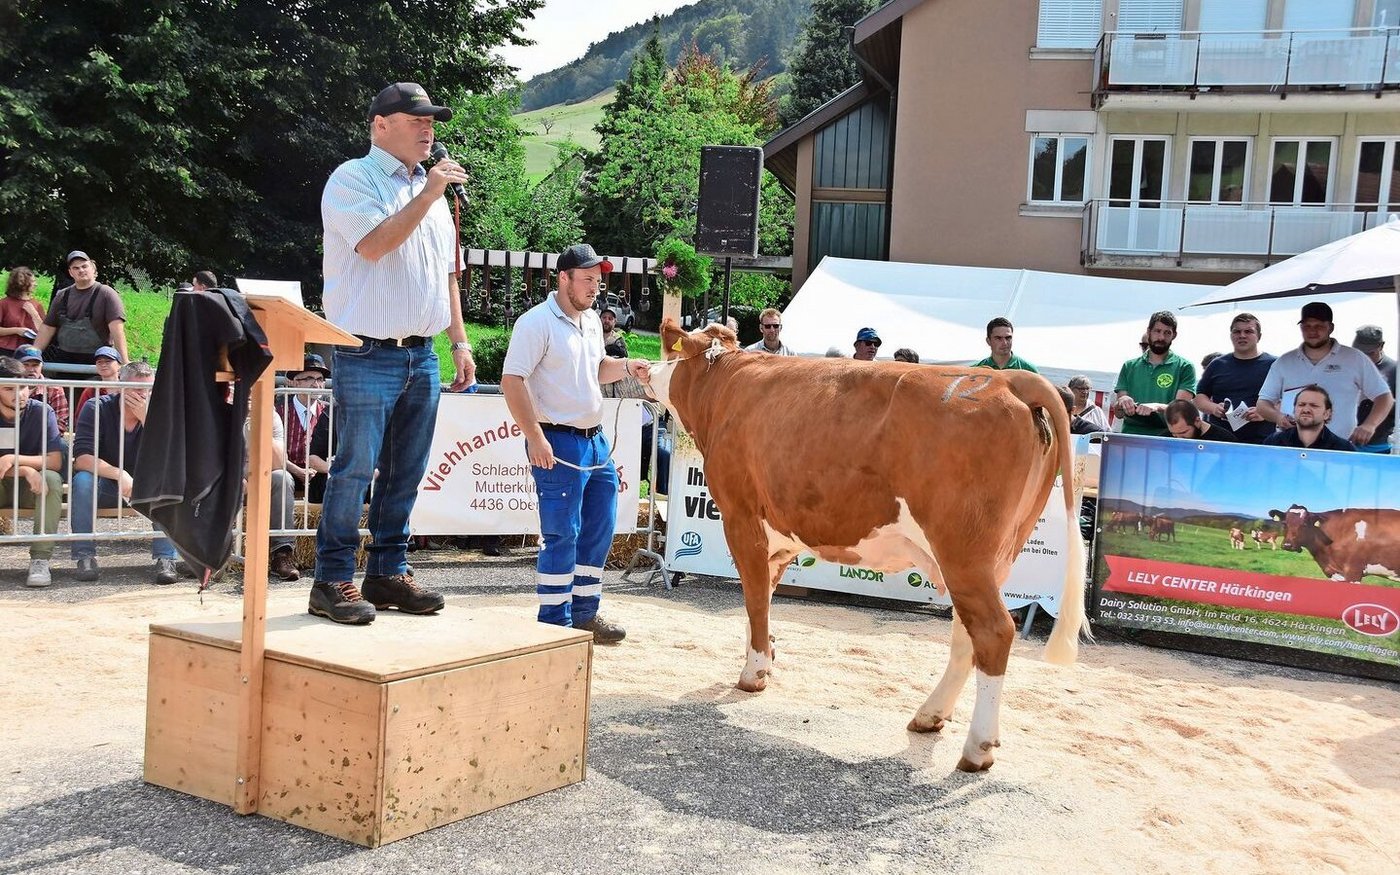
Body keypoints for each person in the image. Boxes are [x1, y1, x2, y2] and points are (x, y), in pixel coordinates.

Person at [312, 81, 477, 625]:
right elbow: (375, 246)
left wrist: (459, 341)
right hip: (365, 351)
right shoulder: (351, 180)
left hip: (422, 354)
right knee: (355, 469)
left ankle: (386, 573)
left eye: (432, 121)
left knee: (407, 471)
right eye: (416, 120)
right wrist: (428, 194)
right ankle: (332, 579)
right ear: (380, 124)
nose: (429, 129)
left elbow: (447, 276)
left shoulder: (433, 191)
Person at [501, 243, 652, 643]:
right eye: (587, 280)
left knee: (599, 529)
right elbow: (511, 380)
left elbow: (598, 369)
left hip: (594, 441)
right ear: (562, 278)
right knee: (562, 533)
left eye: (598, 282)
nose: (594, 289)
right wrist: (534, 437)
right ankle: (554, 620)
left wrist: (626, 368)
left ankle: (585, 611)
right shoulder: (535, 323)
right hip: (558, 440)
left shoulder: (588, 323)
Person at [70, 361, 179, 584]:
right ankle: (85, 556)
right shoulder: (96, 407)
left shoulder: (162, 411)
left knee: (169, 481)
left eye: (147, 388)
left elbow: (175, 455)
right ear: (120, 386)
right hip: (108, 484)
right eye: (136, 387)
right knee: (82, 481)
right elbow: (81, 459)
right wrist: (120, 474)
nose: (142, 394)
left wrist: (147, 418)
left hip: (148, 485)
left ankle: (166, 558)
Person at [1257, 302, 1392, 446]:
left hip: (1338, 448)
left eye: (1319, 326)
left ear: (1331, 327)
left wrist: (1369, 425)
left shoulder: (1354, 358)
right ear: (1301, 328)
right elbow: (1263, 403)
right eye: (1307, 326)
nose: (1312, 331)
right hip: (1290, 446)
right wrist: (1278, 417)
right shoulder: (1284, 362)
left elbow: (1384, 397)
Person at [0, 356, 66, 586]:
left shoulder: (41, 411)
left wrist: (13, 459)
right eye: (9, 388)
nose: (19, 394)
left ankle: (40, 559)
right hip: (5, 484)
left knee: (52, 478)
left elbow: (55, 461)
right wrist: (26, 470)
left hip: (31, 489)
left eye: (24, 387)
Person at [1193, 313, 1277, 444]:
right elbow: (1199, 397)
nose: (1242, 335)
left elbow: (1289, 399)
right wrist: (1213, 408)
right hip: (1220, 442)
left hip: (1261, 443)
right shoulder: (1217, 365)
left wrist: (1265, 412)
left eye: (1248, 331)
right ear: (1231, 335)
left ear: (1259, 336)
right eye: (1237, 331)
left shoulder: (1275, 365)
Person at [33, 251, 129, 365]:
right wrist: (33, 355)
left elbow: (117, 330)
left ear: (93, 269)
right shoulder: (62, 296)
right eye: (76, 268)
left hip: (98, 361)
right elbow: (47, 328)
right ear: (70, 272)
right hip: (65, 360)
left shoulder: (107, 294)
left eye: (84, 266)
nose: (81, 270)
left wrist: (124, 362)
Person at [1113, 311, 1196, 436]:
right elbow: (1118, 414)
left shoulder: (1185, 367)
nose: (1161, 337)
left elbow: (1180, 411)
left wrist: (1156, 407)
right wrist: (1123, 402)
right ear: (1149, 331)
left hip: (1167, 437)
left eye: (1167, 332)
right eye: (1157, 331)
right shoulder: (1129, 366)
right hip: (1131, 436)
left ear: (1174, 335)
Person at [244, 409, 300, 581]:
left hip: (258, 473)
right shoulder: (218, 407)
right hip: (223, 472)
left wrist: (258, 427)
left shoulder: (270, 415)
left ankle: (281, 554)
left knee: (282, 478)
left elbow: (278, 462)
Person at [277, 354, 330, 495]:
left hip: (320, 475)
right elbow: (272, 452)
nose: (316, 384)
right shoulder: (279, 411)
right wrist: (297, 470)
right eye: (308, 379)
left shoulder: (330, 413)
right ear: (295, 382)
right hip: (287, 471)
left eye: (320, 379)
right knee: (281, 479)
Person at [1263, 384, 1355, 451]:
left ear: (1327, 413)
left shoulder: (1343, 449)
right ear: (1294, 410)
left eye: (1314, 406)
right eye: (1301, 405)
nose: (1306, 410)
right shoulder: (1273, 443)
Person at [1351, 325, 1395, 453]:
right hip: (1346, 443)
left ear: (1381, 346)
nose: (1365, 358)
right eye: (1360, 353)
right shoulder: (1347, 367)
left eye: (1370, 353)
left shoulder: (1394, 370)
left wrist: (1379, 399)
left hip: (1378, 446)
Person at [14, 344, 70, 433]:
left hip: (44, 438)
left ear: (41, 366)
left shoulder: (54, 388)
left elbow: (61, 423)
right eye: (26, 365)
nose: (31, 369)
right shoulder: (6, 386)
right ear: (15, 366)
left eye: (35, 365)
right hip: (9, 434)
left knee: (61, 446)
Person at [1, 266, 45, 356]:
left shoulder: (37, 305)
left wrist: (34, 314)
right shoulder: (4, 303)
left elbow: (44, 332)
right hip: (5, 350)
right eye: (32, 281)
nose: (36, 284)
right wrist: (17, 330)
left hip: (29, 351)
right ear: (22, 283)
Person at [972, 317, 1039, 372]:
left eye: (1008, 338)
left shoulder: (1029, 370)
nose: (1005, 343)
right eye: (998, 338)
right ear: (988, 341)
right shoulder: (974, 370)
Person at [74, 345, 122, 415]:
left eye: (108, 361)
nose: (103, 365)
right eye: (99, 362)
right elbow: (80, 417)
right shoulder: (91, 391)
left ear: (119, 365)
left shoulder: (128, 388)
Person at [1164, 399, 1235, 442]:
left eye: (1184, 432)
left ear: (1197, 421)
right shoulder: (1164, 439)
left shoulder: (1224, 440)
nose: (1179, 439)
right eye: (1174, 434)